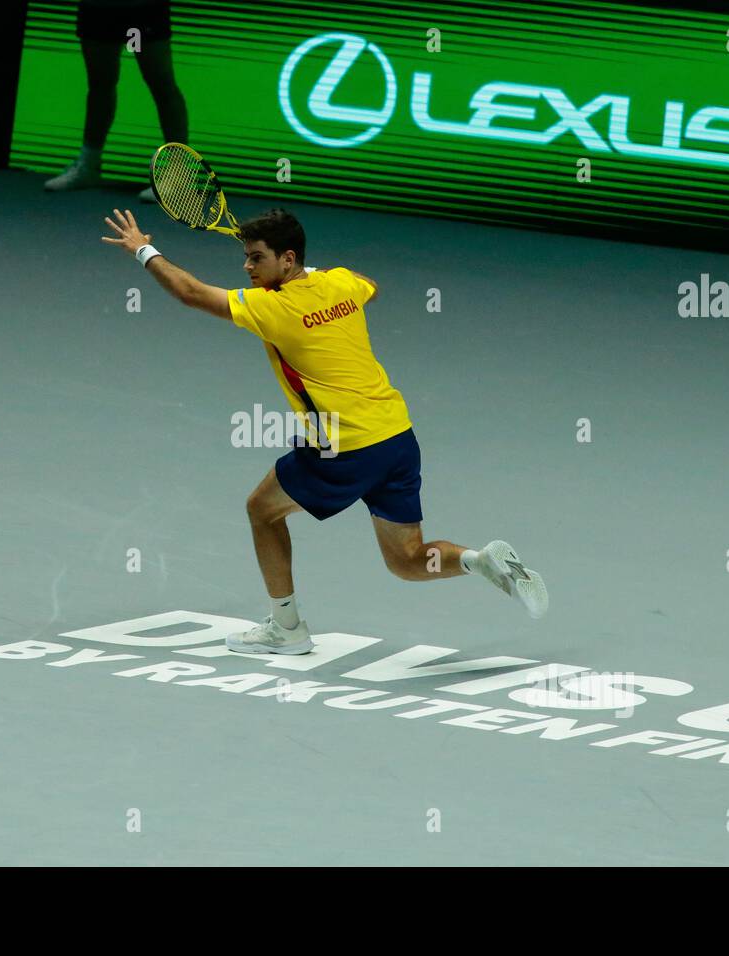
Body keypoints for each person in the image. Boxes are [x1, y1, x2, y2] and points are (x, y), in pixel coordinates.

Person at [101, 206, 548, 654]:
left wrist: (144, 249)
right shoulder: (338, 283)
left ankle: (287, 627)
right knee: (407, 560)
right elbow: (368, 286)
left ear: (287, 259)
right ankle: (480, 561)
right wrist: (316, 278)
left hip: (345, 446)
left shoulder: (272, 307)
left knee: (262, 510)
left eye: (256, 258)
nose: (247, 267)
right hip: (396, 437)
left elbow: (190, 293)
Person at [45, 0, 188, 202]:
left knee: (161, 83)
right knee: (99, 83)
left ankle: (178, 174)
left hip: (143, 8)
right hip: (100, 7)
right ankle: (89, 165)